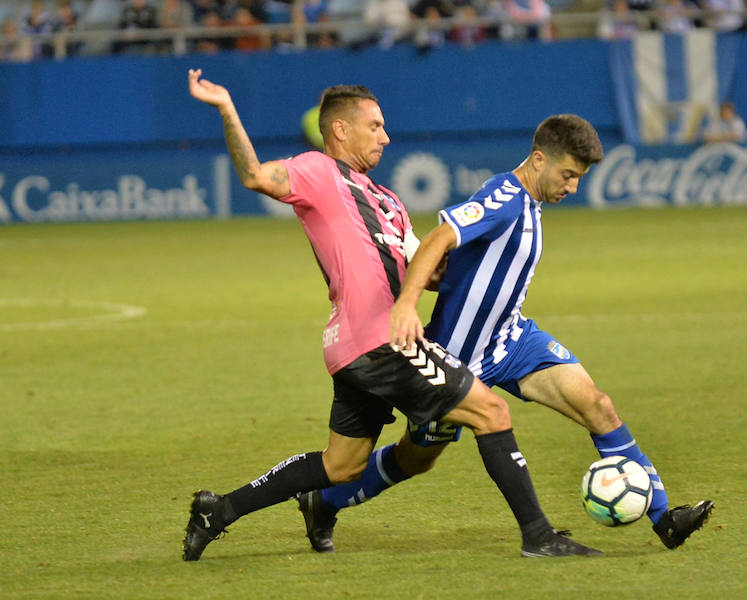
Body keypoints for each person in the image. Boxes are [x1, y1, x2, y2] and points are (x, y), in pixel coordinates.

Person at [182, 70, 602, 560]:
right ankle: (539, 536)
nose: (386, 135)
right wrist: (228, 109)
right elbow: (255, 175)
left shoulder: (389, 202)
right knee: (491, 411)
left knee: (341, 465)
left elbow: (423, 273)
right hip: (379, 341)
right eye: (376, 126)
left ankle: (219, 510)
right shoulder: (317, 172)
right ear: (341, 130)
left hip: (355, 346)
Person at [296, 114, 714, 553]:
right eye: (567, 175)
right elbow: (439, 237)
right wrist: (406, 304)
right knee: (413, 459)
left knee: (598, 406)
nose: (572, 188)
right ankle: (323, 501)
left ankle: (664, 518)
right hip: (453, 357)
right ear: (538, 160)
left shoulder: (530, 203)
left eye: (578, 178)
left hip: (511, 342)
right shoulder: (505, 196)